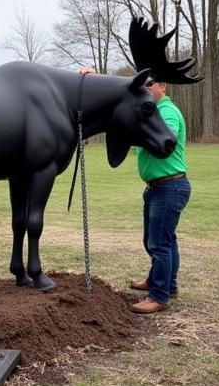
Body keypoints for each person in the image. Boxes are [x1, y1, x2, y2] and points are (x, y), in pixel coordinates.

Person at [80, 68, 190, 314]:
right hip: (158, 187)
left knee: (159, 243)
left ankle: (158, 296)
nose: (146, 89)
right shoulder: (147, 110)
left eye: (150, 85)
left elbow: (166, 141)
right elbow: (121, 93)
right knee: (163, 240)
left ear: (163, 86)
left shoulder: (166, 112)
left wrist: (140, 131)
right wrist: (94, 76)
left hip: (169, 186)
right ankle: (164, 283)